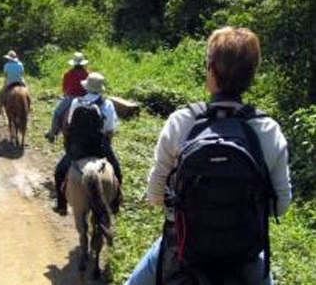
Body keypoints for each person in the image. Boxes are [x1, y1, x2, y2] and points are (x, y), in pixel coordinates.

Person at [124, 27, 292, 285]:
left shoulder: (181, 121)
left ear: (211, 69)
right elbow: (281, 205)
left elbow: (155, 196)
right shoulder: (268, 130)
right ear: (252, 75)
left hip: (180, 251)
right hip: (244, 258)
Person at [53, 72, 123, 215]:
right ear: (100, 88)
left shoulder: (76, 102)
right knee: (117, 171)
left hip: (78, 147)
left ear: (87, 87)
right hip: (100, 146)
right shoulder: (107, 103)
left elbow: (70, 124)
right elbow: (109, 129)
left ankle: (61, 206)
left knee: (59, 172)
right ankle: (115, 204)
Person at [44, 52, 89, 142]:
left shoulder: (68, 74)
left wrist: (67, 93)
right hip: (85, 98)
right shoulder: (87, 74)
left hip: (71, 98)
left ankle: (52, 133)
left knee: (57, 113)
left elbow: (65, 89)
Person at [0, 50, 25, 115]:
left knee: (1, 94)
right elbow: (22, 73)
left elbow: (5, 74)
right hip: (19, 82)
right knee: (27, 91)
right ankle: (30, 106)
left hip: (10, 82)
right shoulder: (20, 64)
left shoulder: (7, 65)